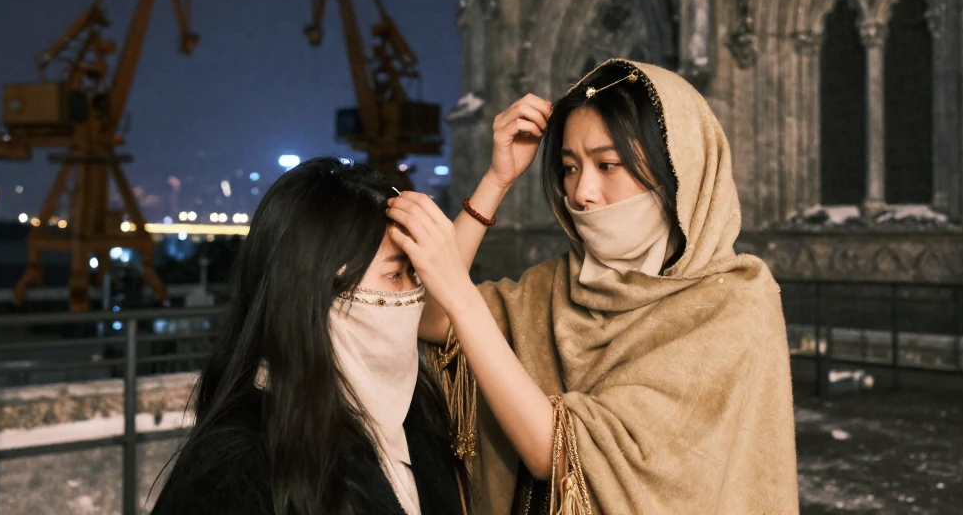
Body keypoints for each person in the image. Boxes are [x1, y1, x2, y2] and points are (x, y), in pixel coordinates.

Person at [386, 59, 799, 514]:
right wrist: (497, 179)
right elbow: (430, 317)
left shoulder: (731, 301)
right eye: (568, 167)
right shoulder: (556, 285)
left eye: (608, 164)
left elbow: (562, 455)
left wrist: (461, 297)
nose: (582, 192)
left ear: (677, 170)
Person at [151, 157, 469, 515]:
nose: (415, 296)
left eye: (415, 275)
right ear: (318, 288)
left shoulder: (412, 420)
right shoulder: (233, 476)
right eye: (396, 275)